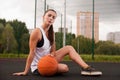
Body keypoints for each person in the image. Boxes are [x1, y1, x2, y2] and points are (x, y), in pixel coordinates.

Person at [13, 9, 102, 76]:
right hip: (39, 66)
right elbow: (31, 53)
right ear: (43, 17)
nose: (51, 18)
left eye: (53, 17)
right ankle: (49, 69)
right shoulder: (36, 32)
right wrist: (25, 72)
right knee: (65, 68)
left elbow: (53, 51)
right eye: (49, 15)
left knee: (69, 48)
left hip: (48, 59)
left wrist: (51, 54)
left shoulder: (52, 33)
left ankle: (86, 68)